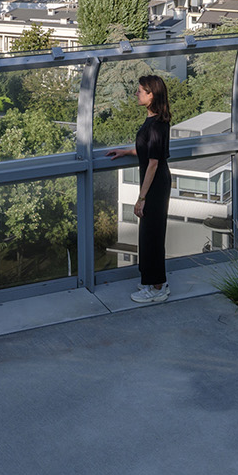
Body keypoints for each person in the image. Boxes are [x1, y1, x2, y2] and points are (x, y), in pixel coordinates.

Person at [102, 74, 173, 303]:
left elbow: (153, 163)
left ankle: (158, 287)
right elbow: (148, 151)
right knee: (149, 234)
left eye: (140, 90)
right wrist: (126, 152)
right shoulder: (154, 120)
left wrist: (141, 198)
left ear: (151, 95)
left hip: (155, 185)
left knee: (152, 235)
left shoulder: (157, 125)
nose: (136, 93)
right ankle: (152, 282)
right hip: (154, 182)